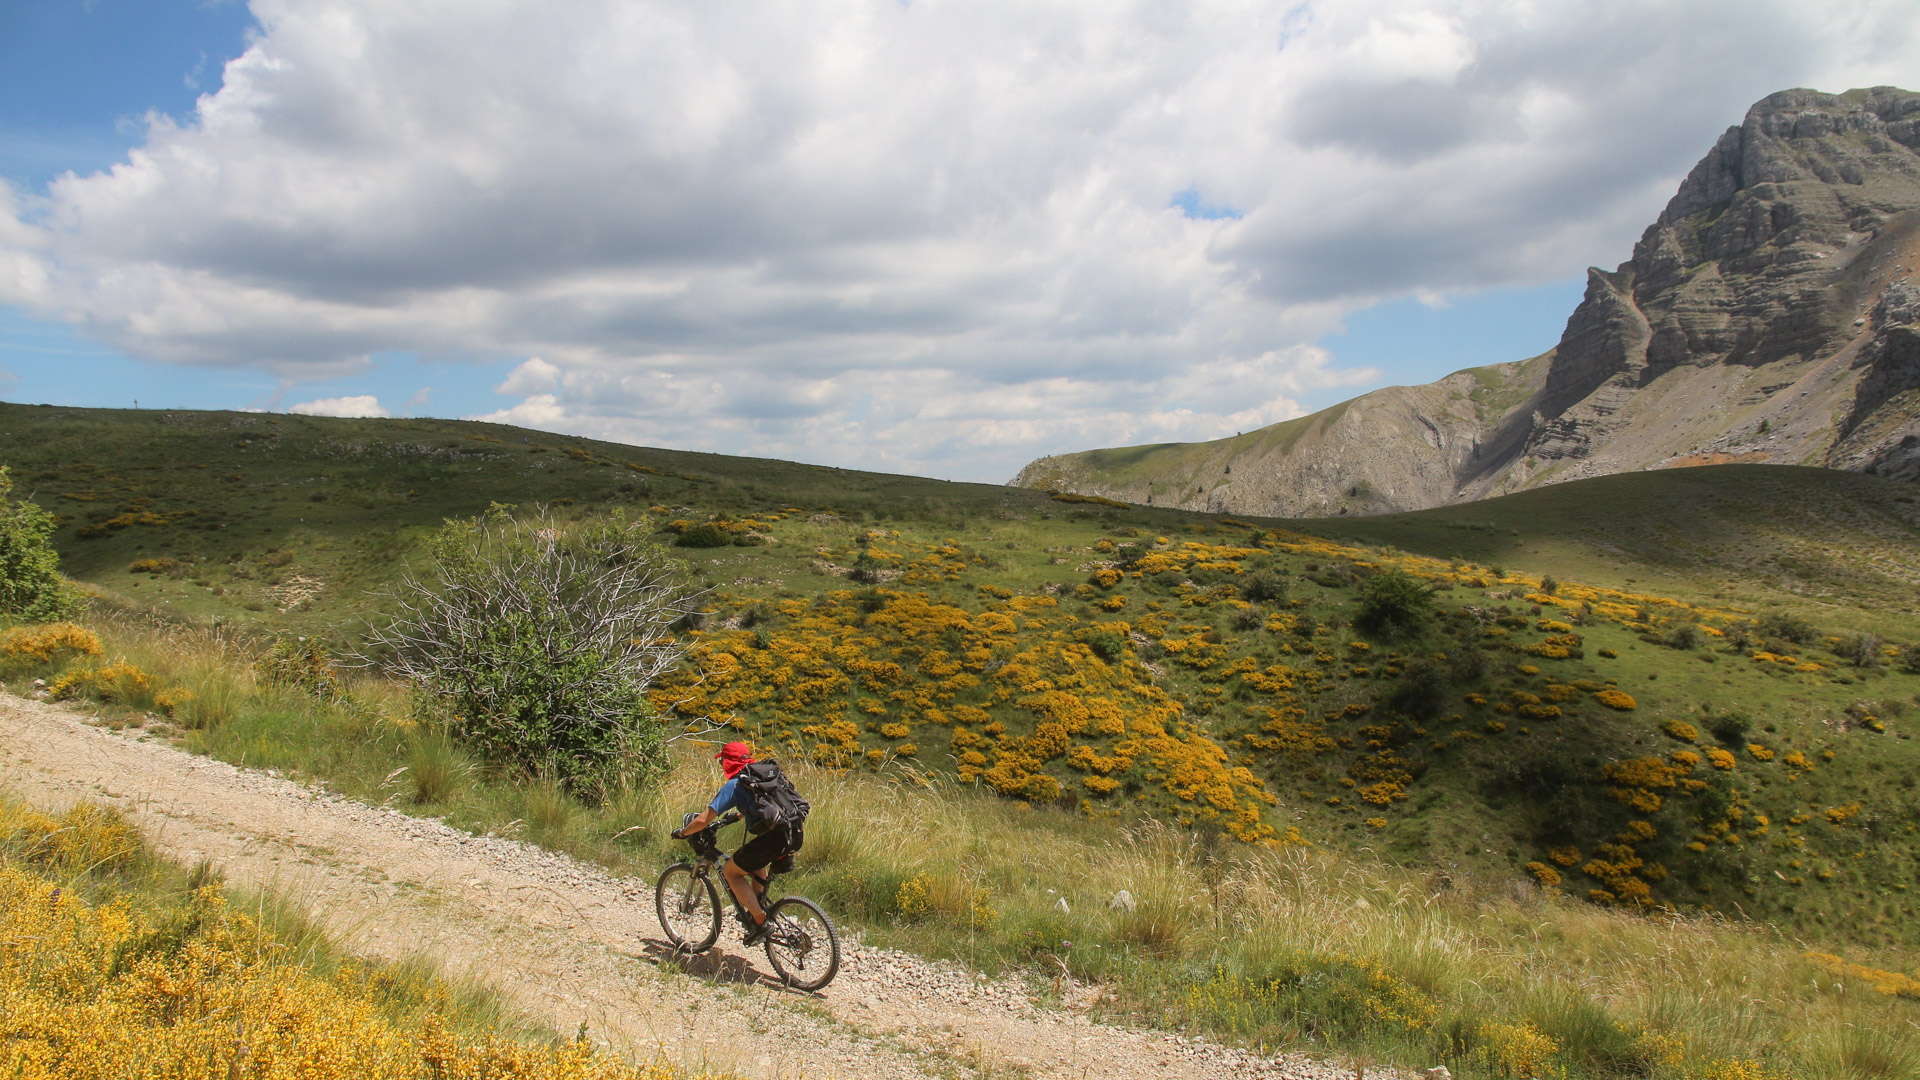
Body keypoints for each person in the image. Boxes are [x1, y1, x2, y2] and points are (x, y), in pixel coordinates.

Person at [670, 741, 789, 944]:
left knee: (730, 871)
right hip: (790, 833)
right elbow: (763, 805)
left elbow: (702, 820)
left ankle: (760, 920)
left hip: (771, 840)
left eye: (722, 761)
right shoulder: (761, 775)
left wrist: (683, 833)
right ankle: (756, 908)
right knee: (754, 861)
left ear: (728, 762)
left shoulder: (735, 785)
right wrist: (737, 816)